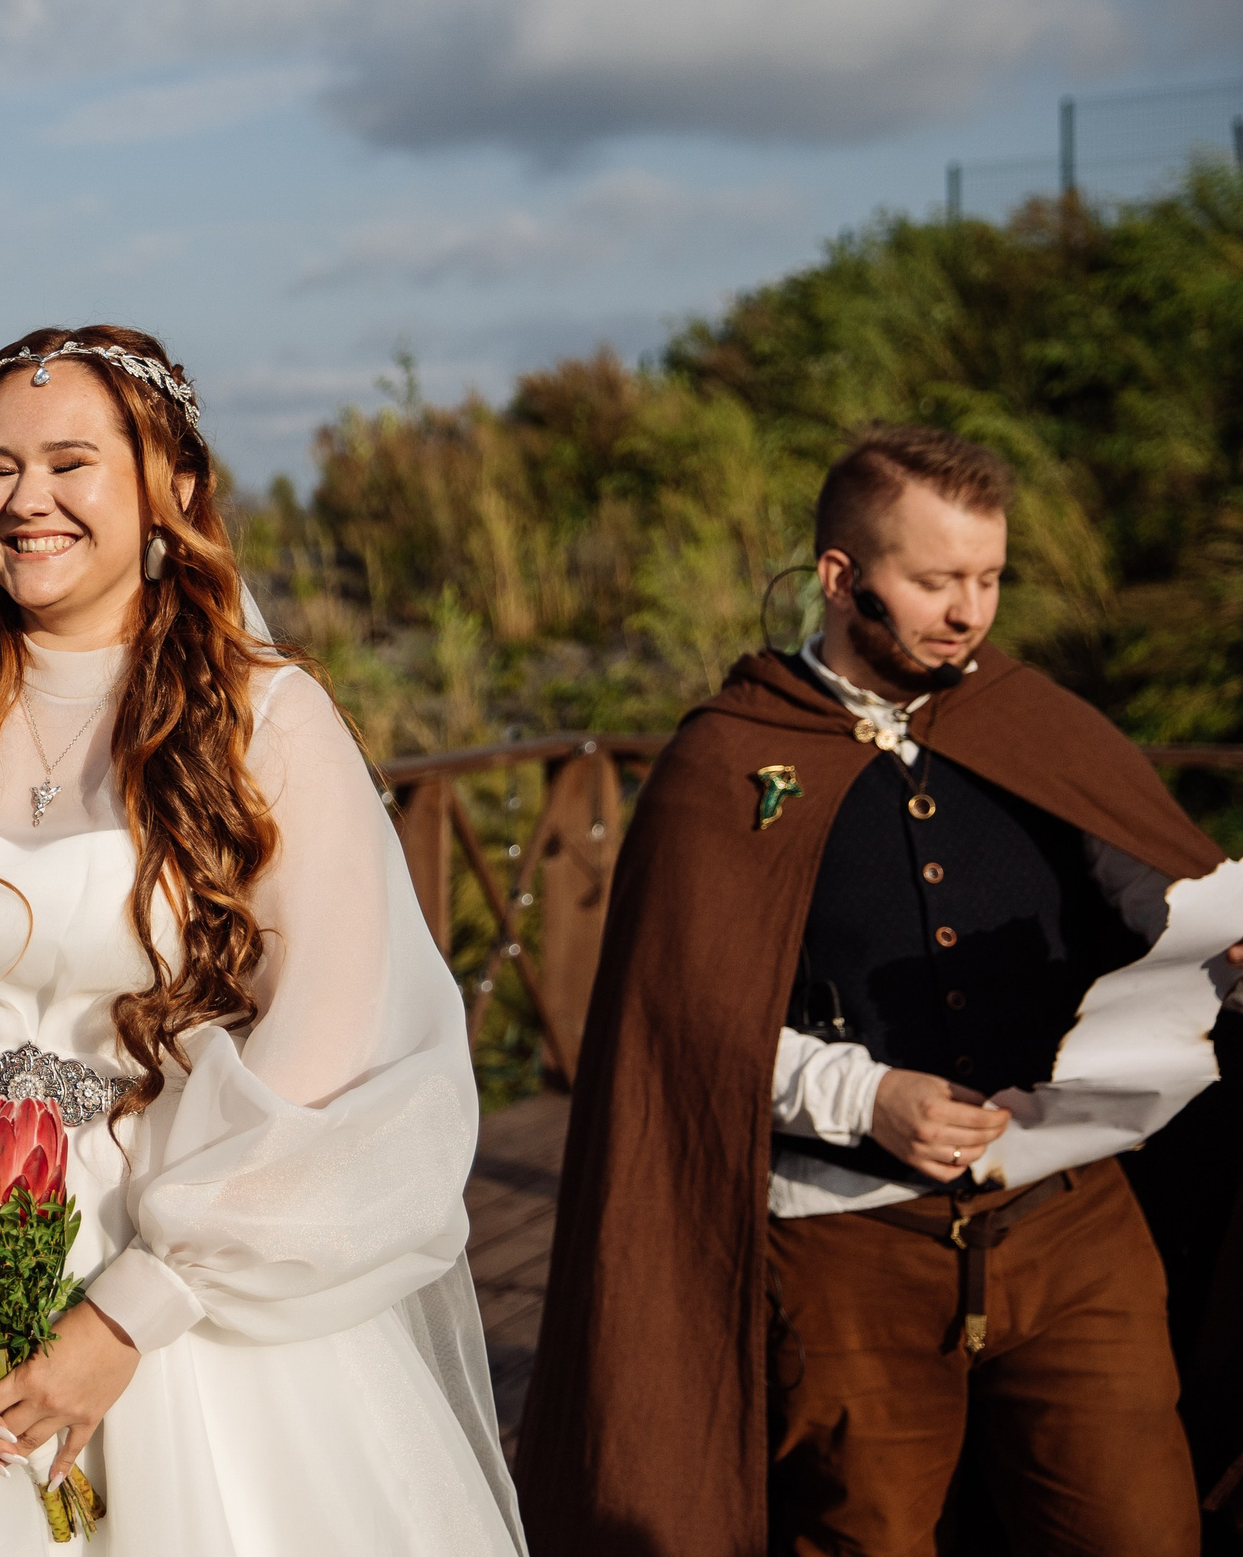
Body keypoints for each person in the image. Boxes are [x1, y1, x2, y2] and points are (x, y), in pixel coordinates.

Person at [0, 324, 526, 1555]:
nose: (27, 500)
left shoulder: (265, 717)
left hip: (167, 1265)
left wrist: (133, 1309)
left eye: (72, 462)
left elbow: (331, 1032)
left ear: (172, 487)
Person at [515, 425, 1231, 1556]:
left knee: (1140, 1533)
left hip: (1069, 1228)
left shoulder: (1032, 720)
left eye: (989, 578)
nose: (969, 612)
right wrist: (865, 1098)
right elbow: (680, 1024)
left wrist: (1221, 958)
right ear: (841, 578)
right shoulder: (728, 758)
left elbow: (1157, 894)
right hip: (846, 1254)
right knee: (863, 1541)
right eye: (935, 580)